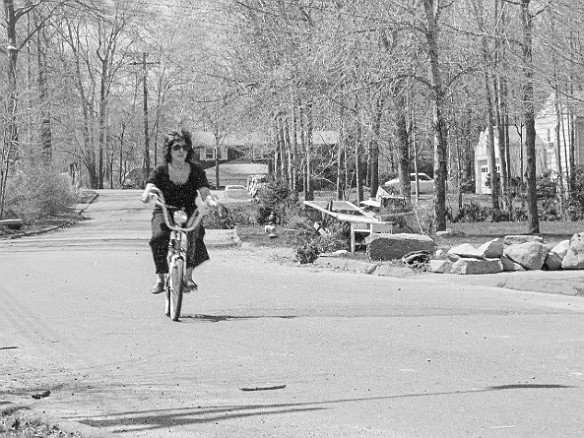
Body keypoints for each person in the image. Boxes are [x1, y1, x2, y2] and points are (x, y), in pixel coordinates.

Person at [141, 129, 213, 294]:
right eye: (177, 147)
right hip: (165, 209)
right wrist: (147, 193)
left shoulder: (196, 171)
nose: (181, 151)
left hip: (188, 210)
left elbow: (205, 192)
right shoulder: (161, 170)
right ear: (169, 150)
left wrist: (211, 202)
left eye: (185, 147)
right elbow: (151, 185)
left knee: (195, 235)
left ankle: (187, 277)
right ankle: (160, 277)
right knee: (158, 237)